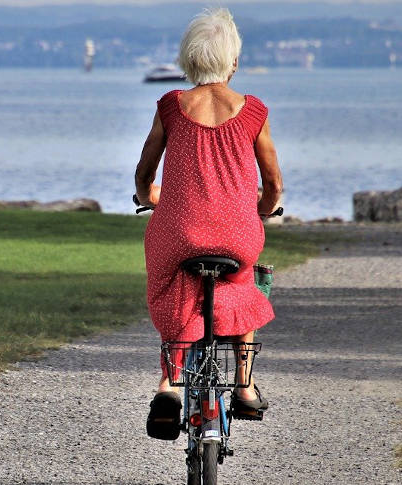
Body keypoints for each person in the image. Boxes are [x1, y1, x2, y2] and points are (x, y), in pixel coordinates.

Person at [134, 7, 283, 440]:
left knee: (173, 281)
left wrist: (149, 199)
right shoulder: (253, 111)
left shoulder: (171, 106)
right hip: (237, 233)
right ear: (233, 61)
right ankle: (245, 384)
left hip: (179, 230)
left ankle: (169, 385)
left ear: (188, 60)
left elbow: (145, 174)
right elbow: (272, 182)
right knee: (243, 284)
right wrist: (264, 207)